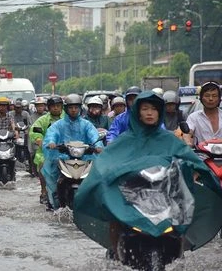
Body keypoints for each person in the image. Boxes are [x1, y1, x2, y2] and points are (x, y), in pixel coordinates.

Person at [73, 91, 222, 260]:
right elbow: (105, 162)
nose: (150, 113)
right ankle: (115, 251)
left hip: (163, 193)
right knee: (115, 213)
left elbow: (190, 159)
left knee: (182, 211)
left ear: (160, 112)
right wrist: (105, 177)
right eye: (145, 109)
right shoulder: (125, 140)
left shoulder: (169, 140)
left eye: (154, 109)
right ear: (138, 112)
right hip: (132, 193)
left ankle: (179, 254)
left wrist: (198, 174)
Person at [41, 94, 103, 210]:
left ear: (80, 108)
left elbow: (94, 136)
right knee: (53, 177)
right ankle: (55, 204)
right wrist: (52, 143)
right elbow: (51, 135)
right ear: (66, 109)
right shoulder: (58, 125)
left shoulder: (87, 125)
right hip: (62, 158)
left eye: (76, 107)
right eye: (71, 107)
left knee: (97, 179)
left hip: (84, 157)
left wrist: (97, 145)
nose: (74, 110)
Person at [29, 95, 63, 204]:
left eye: (58, 106)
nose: (56, 108)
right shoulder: (43, 120)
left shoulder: (68, 119)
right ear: (48, 107)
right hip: (46, 152)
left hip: (66, 151)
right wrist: (40, 141)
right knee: (43, 166)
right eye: (53, 106)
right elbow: (34, 131)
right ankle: (44, 191)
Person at [184, 81, 222, 146]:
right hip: (201, 154)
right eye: (207, 96)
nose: (210, 99)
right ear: (201, 98)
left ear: (219, 99)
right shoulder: (193, 117)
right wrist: (188, 143)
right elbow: (188, 133)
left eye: (214, 96)